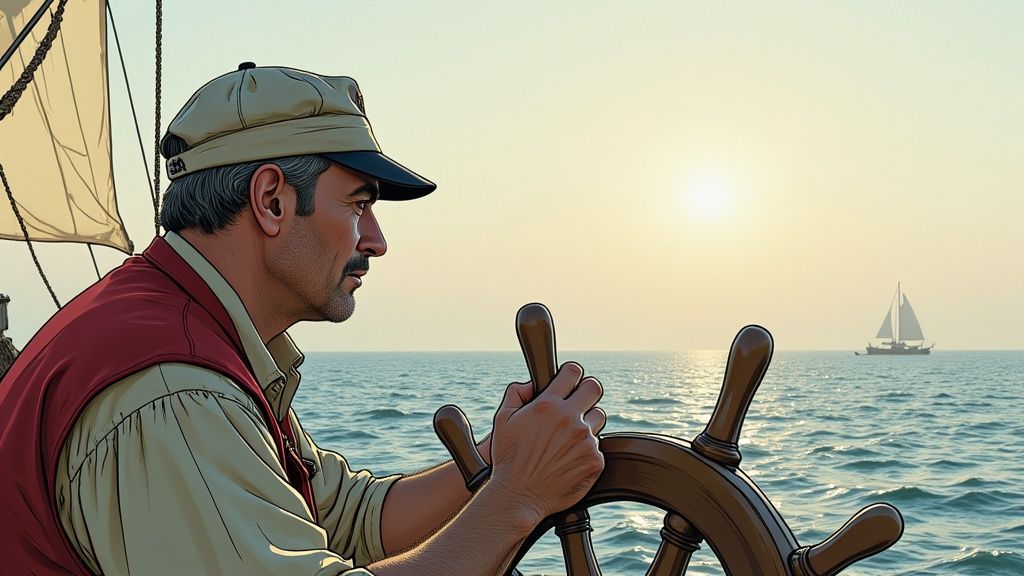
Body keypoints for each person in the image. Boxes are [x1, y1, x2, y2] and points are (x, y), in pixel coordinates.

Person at [0, 64, 606, 575]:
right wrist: (519, 496)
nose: (376, 241)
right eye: (359, 205)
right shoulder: (174, 393)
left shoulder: (192, 336)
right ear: (272, 201)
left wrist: (501, 458)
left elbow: (347, 519)